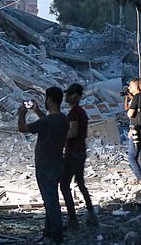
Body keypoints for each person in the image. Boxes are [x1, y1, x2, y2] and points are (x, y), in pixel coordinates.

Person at [18, 87, 68, 245]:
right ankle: (48, 232)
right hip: (57, 163)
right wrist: (38, 111)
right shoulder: (62, 119)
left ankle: (56, 237)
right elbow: (46, 123)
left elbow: (23, 128)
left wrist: (22, 113)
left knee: (51, 202)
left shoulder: (47, 121)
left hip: (45, 166)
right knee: (50, 199)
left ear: (50, 100)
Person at [59, 83, 97, 229]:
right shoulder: (80, 111)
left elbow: (73, 132)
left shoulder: (74, 113)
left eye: (69, 94)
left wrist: (60, 138)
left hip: (73, 152)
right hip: (79, 151)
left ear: (76, 96)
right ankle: (91, 213)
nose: (66, 96)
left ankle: (73, 219)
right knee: (80, 183)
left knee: (64, 185)